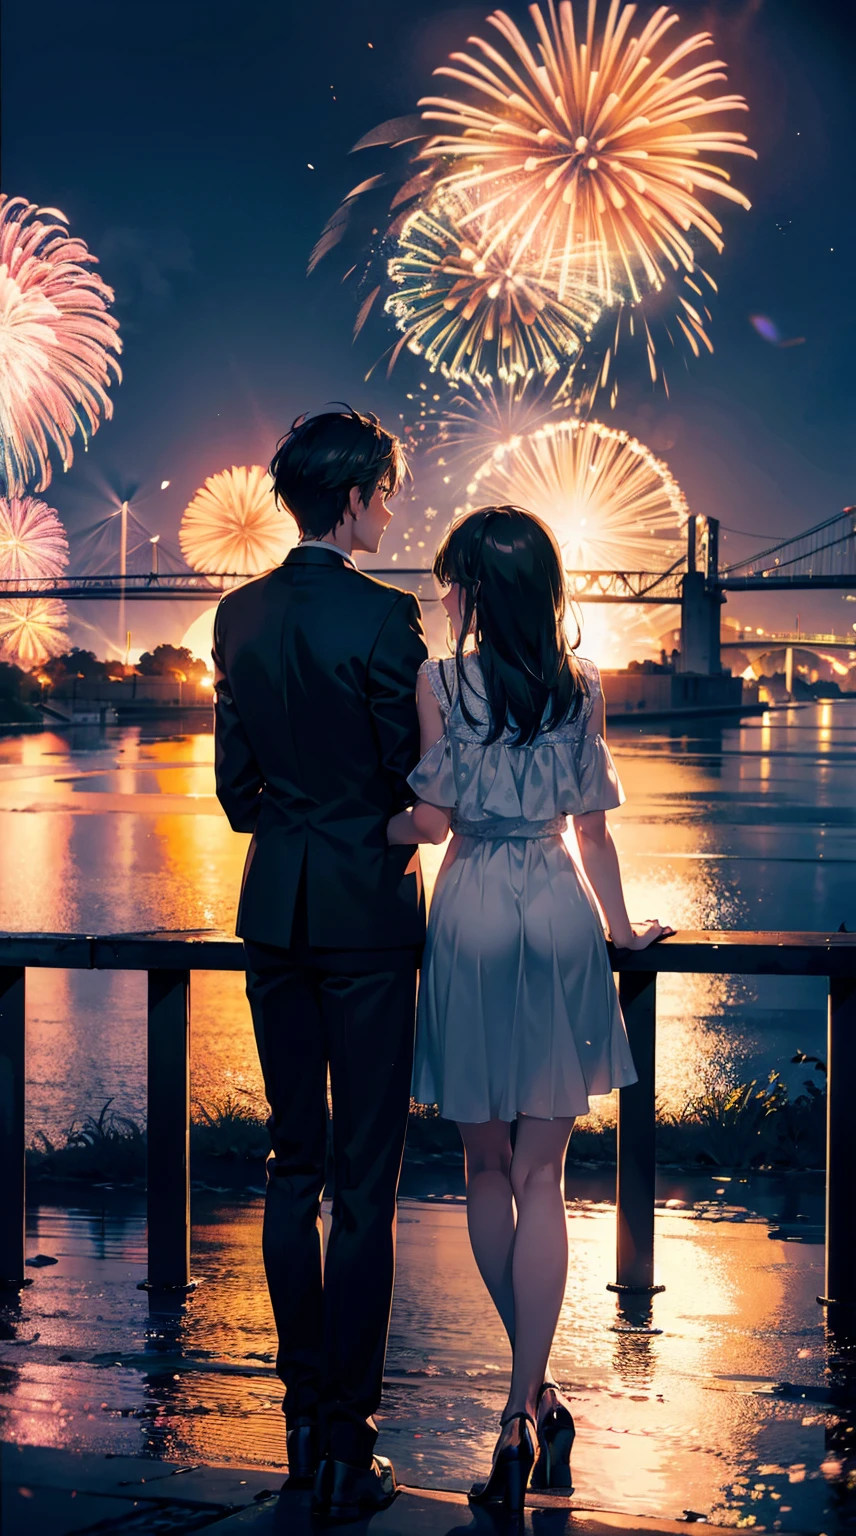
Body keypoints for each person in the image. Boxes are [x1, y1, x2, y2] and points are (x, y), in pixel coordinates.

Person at [388, 505, 672, 1513]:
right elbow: (591, 830)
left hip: (468, 907)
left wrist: (375, 822)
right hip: (553, 907)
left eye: (450, 579)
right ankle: (529, 1403)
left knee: (485, 1167)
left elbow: (432, 820)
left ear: (470, 588)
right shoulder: (581, 687)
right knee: (546, 1175)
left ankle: (518, 1407)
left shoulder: (437, 682)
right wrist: (625, 929)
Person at [213, 407, 427, 1522]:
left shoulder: (237, 614)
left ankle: (298, 1431)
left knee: (289, 1173)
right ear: (351, 498)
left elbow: (236, 795)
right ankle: (351, 1444)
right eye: (386, 494)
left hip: (272, 921)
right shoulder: (391, 621)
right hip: (369, 926)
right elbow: (411, 782)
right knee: (365, 1186)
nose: (390, 512)